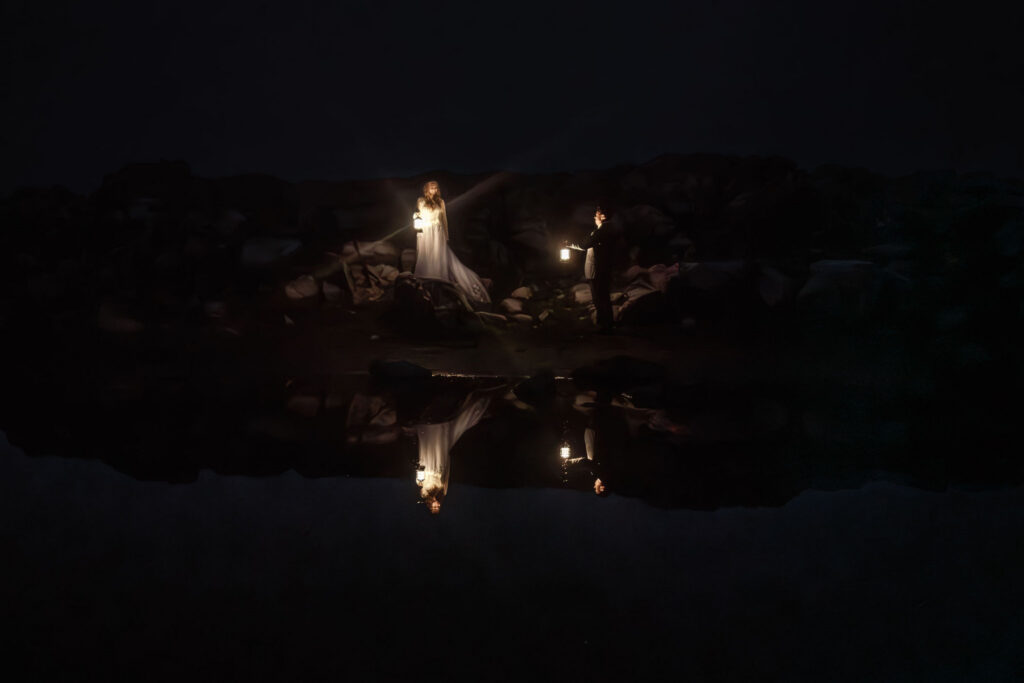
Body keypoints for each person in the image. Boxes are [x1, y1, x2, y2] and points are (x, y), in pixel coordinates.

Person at [414, 391, 492, 514]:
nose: (436, 505)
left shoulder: (424, 494)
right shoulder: (443, 492)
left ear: (430, 506)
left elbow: (420, 481)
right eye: (438, 507)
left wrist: (420, 475)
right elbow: (446, 476)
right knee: (442, 441)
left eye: (434, 507)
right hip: (439, 464)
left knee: (431, 444)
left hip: (428, 464)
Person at [413, 181, 490, 304]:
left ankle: (440, 277)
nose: (434, 189)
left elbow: (444, 221)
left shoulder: (441, 202)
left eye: (436, 188)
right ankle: (426, 276)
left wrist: (446, 236)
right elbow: (418, 215)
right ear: (427, 189)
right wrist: (416, 218)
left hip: (437, 231)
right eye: (432, 188)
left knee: (438, 254)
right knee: (427, 254)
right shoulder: (421, 201)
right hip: (426, 231)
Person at [566, 206, 615, 332]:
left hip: (598, 270)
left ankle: (605, 325)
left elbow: (585, 244)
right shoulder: (605, 230)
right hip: (601, 269)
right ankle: (605, 323)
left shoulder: (602, 231)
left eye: (597, 214)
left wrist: (569, 245)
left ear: (603, 216)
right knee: (602, 297)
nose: (594, 217)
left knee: (600, 298)